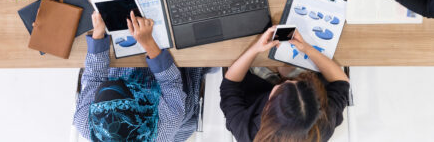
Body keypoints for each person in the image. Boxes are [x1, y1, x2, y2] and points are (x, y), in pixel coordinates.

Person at [73, 11, 207, 141]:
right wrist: (148, 42)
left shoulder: (84, 122)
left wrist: (98, 33)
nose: (119, 81)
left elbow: (94, 78)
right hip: (168, 95)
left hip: (125, 75)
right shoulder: (164, 127)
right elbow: (171, 82)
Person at [220, 27, 350, 142]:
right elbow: (342, 82)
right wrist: (306, 48)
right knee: (286, 64)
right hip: (306, 76)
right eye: (295, 83)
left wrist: (255, 48)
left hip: (256, 84)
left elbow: (229, 85)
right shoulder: (322, 128)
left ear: (268, 107)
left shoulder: (246, 131)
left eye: (282, 87)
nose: (287, 81)